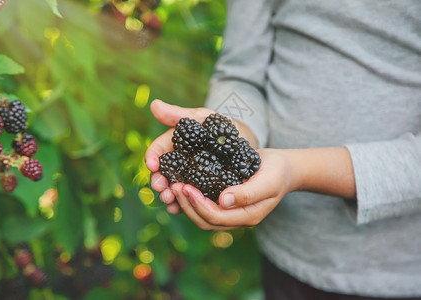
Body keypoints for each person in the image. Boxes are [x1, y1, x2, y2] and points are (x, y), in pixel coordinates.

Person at [145, 0, 421, 299]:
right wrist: (237, 129)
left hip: (395, 272)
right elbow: (241, 77)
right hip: (283, 254)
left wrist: (295, 171)